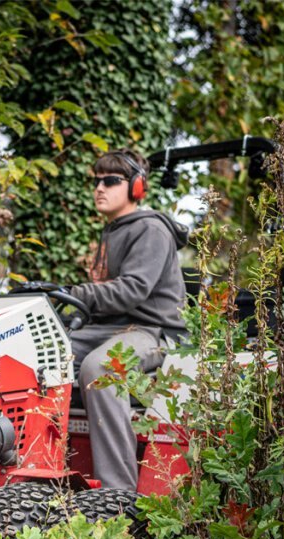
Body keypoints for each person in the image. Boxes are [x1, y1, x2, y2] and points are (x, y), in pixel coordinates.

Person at [66, 149, 188, 492]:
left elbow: (132, 291)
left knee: (102, 368)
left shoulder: (150, 230)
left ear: (136, 187)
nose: (99, 188)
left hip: (153, 332)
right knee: (45, 348)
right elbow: (104, 299)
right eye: (96, 181)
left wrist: (81, 292)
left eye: (110, 181)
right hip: (116, 328)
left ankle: (116, 494)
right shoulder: (112, 231)